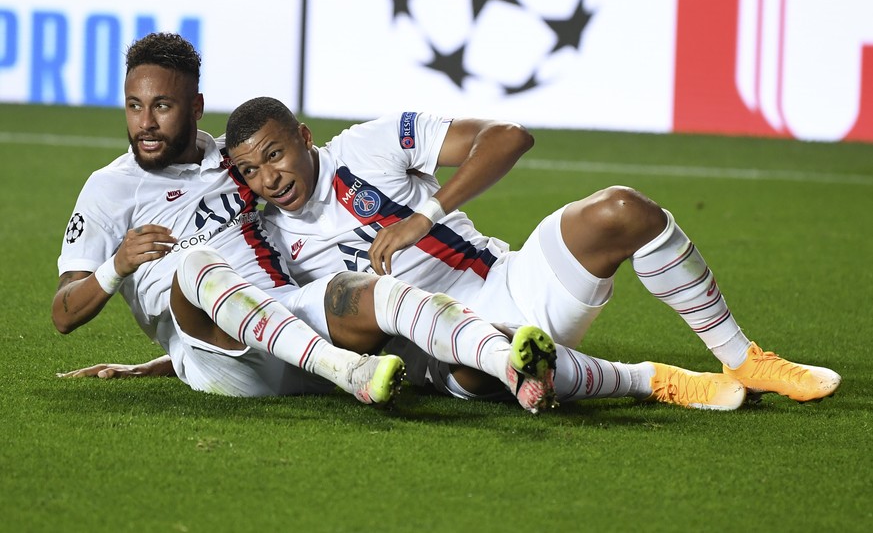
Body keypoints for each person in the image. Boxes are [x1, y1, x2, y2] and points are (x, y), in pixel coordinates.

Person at [52, 32, 560, 413]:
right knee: (196, 265)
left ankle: (556, 371)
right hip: (218, 351)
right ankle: (350, 371)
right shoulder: (107, 190)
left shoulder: (239, 161)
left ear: (196, 107)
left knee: (372, 290)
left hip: (293, 323)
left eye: (161, 106)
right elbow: (63, 313)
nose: (144, 122)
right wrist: (116, 267)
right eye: (134, 106)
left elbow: (304, 167)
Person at [219, 96, 840, 407]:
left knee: (624, 210)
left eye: (275, 155)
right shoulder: (270, 241)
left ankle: (742, 358)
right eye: (250, 172)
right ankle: (651, 380)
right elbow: (267, 324)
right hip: (447, 350)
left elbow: (508, 137)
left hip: (514, 280)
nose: (269, 178)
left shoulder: (370, 147)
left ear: (303, 137)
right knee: (491, 363)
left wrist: (423, 216)